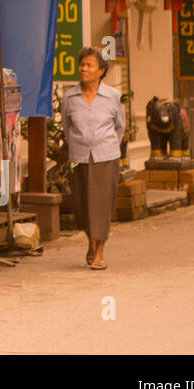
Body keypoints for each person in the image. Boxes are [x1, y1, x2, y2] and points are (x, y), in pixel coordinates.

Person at [61, 47, 126, 271]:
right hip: (78, 156)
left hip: (105, 156)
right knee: (82, 204)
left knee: (102, 204)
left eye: (89, 65)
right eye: (82, 64)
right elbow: (66, 127)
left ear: (101, 70)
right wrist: (79, 144)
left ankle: (99, 252)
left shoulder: (113, 97)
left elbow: (120, 127)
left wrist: (106, 145)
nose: (84, 69)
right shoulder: (69, 97)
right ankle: (91, 241)